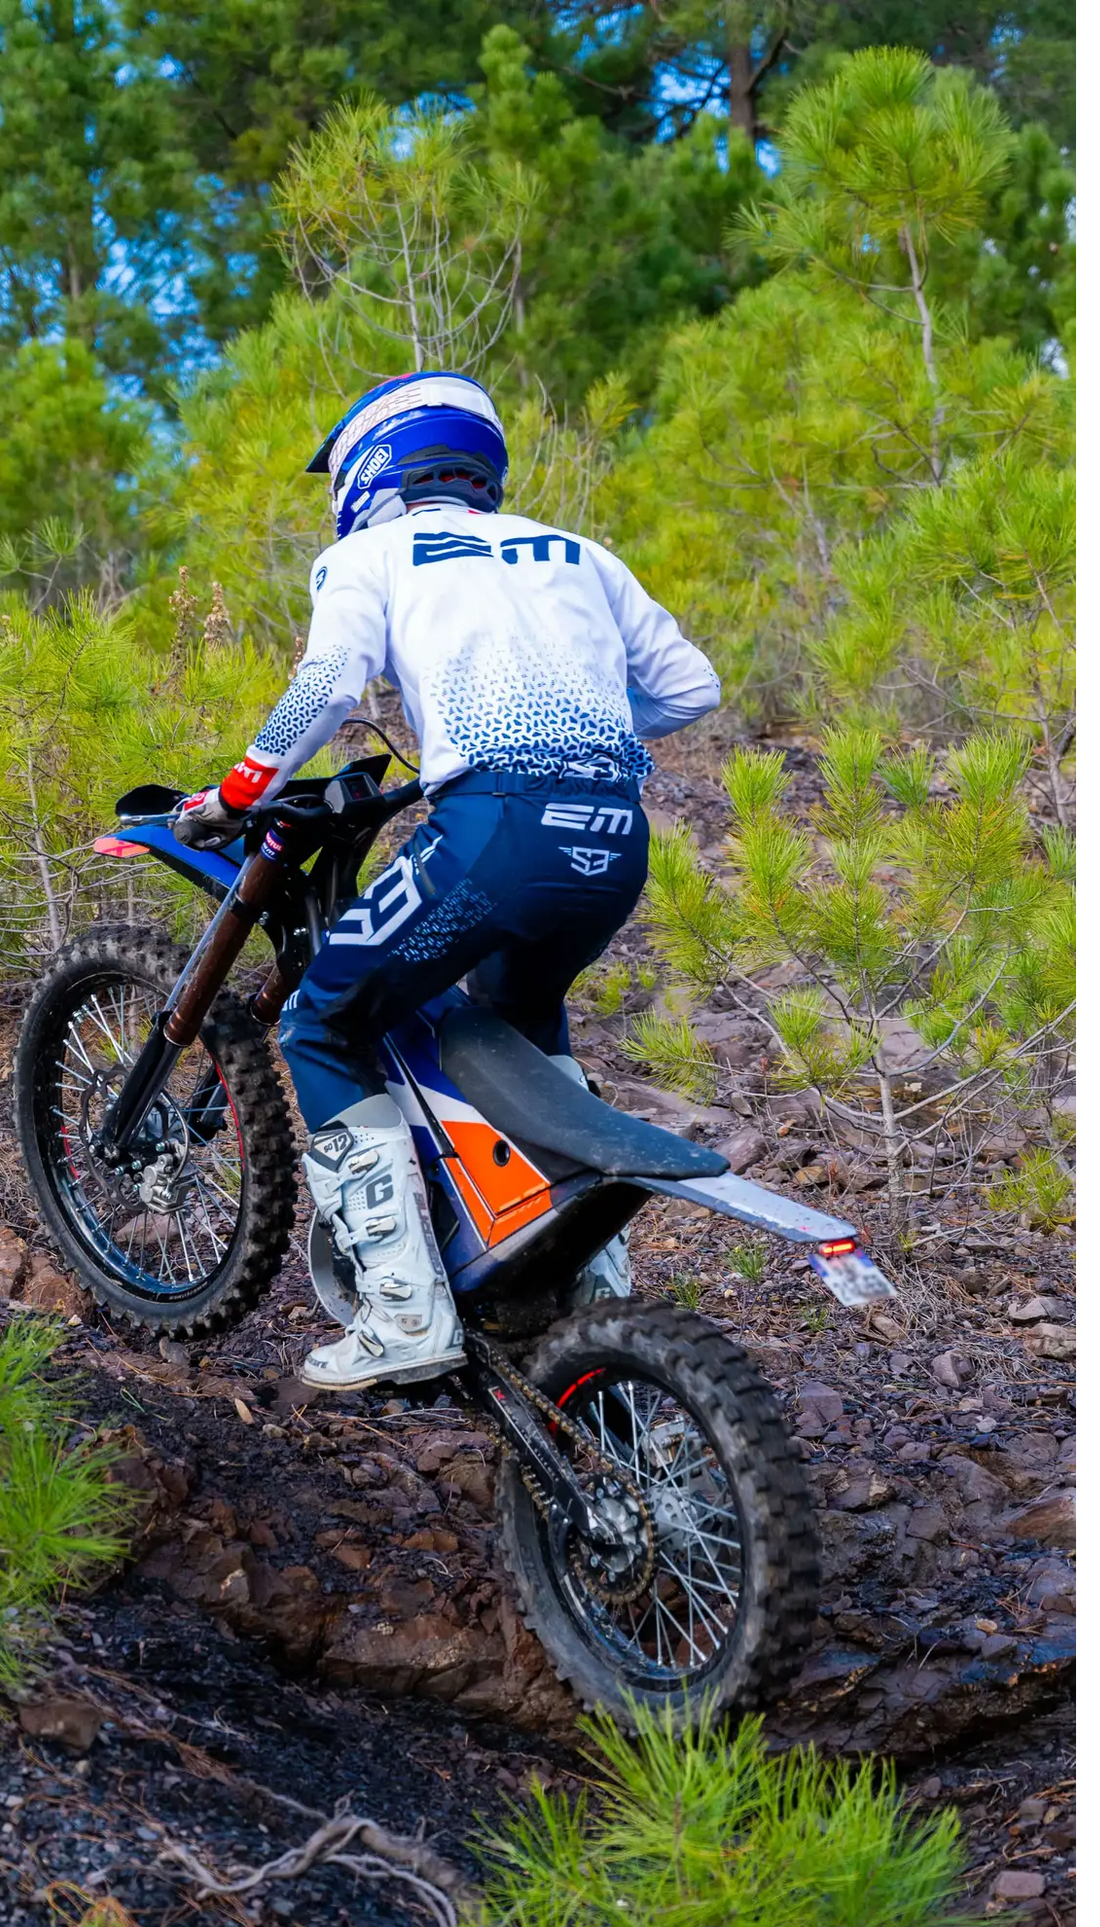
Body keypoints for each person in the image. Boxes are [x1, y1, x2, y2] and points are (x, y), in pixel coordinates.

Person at [173, 371, 720, 1390]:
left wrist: (240, 787)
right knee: (517, 1032)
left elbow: (326, 685)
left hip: (497, 831)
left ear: (371, 470)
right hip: (613, 836)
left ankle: (401, 1314)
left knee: (322, 1020)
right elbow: (692, 685)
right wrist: (590, 731)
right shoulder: (578, 551)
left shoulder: (369, 553)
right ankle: (586, 1296)